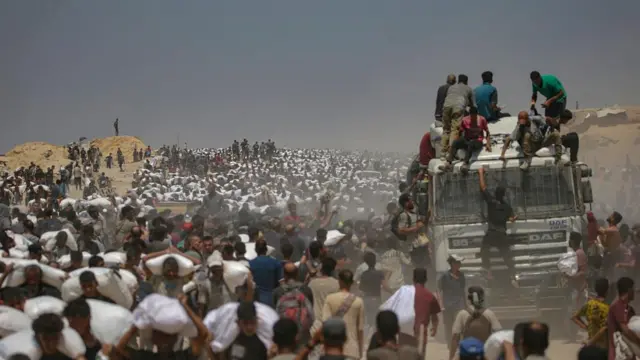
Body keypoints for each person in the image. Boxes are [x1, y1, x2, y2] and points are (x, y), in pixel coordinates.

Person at [478, 167, 516, 281]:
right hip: (501, 235)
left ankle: (487, 269)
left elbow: (483, 187)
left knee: (484, 250)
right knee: (506, 256)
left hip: (491, 234)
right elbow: (511, 219)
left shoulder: (491, 202)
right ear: (504, 195)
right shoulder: (507, 207)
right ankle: (512, 274)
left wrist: (480, 173)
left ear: (495, 193)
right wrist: (513, 218)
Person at [322, 269, 365, 360]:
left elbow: (325, 323)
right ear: (352, 282)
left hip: (333, 350)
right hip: (353, 350)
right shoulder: (358, 301)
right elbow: (360, 329)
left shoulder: (330, 299)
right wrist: (360, 351)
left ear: (339, 281)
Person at [450, 286, 501, 360]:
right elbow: (498, 334)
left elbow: (455, 337)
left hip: (466, 352)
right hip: (485, 352)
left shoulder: (462, 314)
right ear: (482, 298)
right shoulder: (489, 313)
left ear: (469, 298)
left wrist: (451, 357)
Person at [439, 106, 491, 173]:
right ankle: (448, 163)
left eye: (475, 116)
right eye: (472, 116)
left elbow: (487, 132)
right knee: (456, 143)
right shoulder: (465, 120)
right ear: (469, 114)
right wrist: (453, 143)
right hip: (467, 139)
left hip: (477, 141)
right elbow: (459, 132)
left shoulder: (482, 119)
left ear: (477, 114)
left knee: (471, 144)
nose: (473, 118)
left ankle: (465, 163)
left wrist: (488, 144)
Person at [440, 74, 476, 159]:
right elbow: (473, 106)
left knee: (446, 129)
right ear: (466, 81)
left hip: (446, 107)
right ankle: (451, 153)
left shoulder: (451, 87)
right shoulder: (469, 89)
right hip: (458, 107)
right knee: (455, 130)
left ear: (458, 81)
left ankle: (442, 153)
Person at [408, 268, 440, 355]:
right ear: (426, 280)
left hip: (406, 332)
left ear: (413, 279)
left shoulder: (406, 293)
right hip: (421, 333)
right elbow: (434, 317)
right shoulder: (430, 296)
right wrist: (434, 328)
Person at [438, 254, 467, 350]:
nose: (459, 264)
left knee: (458, 326)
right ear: (452, 264)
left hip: (459, 305)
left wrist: (466, 305)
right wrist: (441, 304)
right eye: (457, 262)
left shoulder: (461, 275)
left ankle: (458, 345)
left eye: (460, 262)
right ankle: (450, 346)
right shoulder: (445, 276)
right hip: (447, 306)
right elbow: (439, 290)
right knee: (448, 326)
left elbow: (463, 290)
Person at [571, 277, 609, 349]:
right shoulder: (608, 307)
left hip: (591, 342)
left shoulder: (590, 304)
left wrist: (587, 327)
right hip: (603, 344)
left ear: (595, 290)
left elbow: (574, 317)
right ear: (607, 290)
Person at [607, 277, 640, 360]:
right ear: (629, 290)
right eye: (633, 289)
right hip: (619, 353)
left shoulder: (629, 309)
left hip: (628, 352)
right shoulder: (618, 306)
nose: (634, 292)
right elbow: (625, 329)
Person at [249, 240, 282, 307]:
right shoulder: (276, 263)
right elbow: (281, 283)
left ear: (255, 250)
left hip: (256, 301)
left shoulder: (250, 264)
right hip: (272, 300)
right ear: (266, 249)